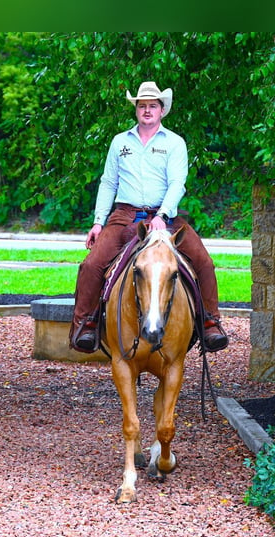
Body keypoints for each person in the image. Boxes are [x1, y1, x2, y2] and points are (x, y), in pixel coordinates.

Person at [69, 81, 228, 354]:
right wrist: (98, 221)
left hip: (165, 217)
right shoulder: (120, 142)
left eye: (152, 105)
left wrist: (163, 215)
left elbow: (178, 184)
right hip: (124, 215)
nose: (147, 110)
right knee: (92, 264)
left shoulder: (175, 143)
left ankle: (210, 323)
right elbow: (108, 182)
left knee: (203, 261)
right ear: (136, 110)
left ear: (162, 110)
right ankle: (86, 324)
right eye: (142, 105)